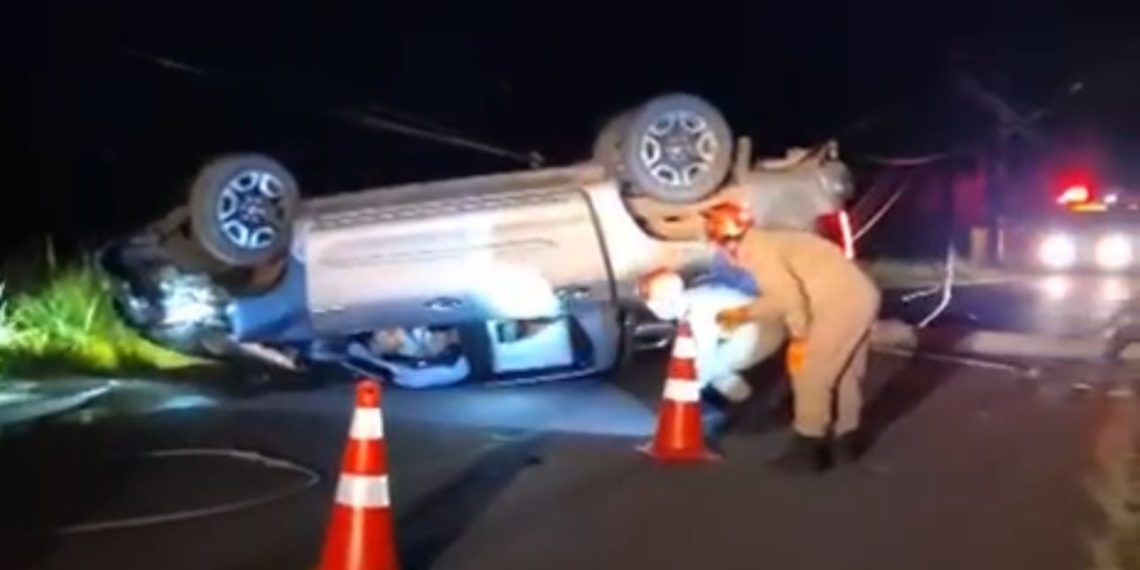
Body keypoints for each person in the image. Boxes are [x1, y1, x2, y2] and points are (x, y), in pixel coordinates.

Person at [706, 200, 881, 473]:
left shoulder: (755, 250)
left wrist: (745, 315)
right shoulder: (770, 239)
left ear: (723, 241)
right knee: (845, 371)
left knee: (812, 372)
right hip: (860, 293)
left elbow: (786, 299)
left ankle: (808, 447)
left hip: (839, 301)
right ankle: (847, 439)